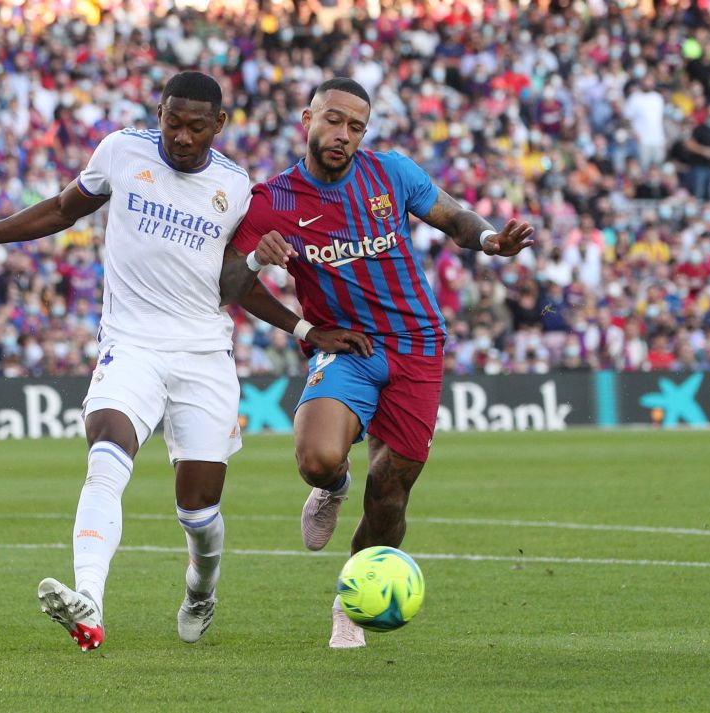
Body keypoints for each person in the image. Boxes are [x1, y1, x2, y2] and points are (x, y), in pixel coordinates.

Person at [0, 72, 368, 652]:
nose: (181, 137)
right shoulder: (121, 151)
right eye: (172, 121)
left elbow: (234, 286)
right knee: (106, 455)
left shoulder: (237, 189)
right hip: (129, 344)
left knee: (199, 510)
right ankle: (89, 602)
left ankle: (200, 591)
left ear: (219, 126)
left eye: (195, 127)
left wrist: (306, 328)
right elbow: (61, 209)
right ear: (159, 112)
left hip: (204, 355)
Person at [222, 78, 534, 648]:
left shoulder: (389, 174)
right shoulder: (274, 201)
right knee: (317, 458)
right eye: (333, 120)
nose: (343, 135)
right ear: (306, 118)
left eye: (356, 126)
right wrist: (268, 275)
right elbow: (229, 282)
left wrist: (491, 241)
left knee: (390, 494)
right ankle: (332, 485)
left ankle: (351, 600)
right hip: (348, 347)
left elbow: (454, 217)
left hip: (417, 347)